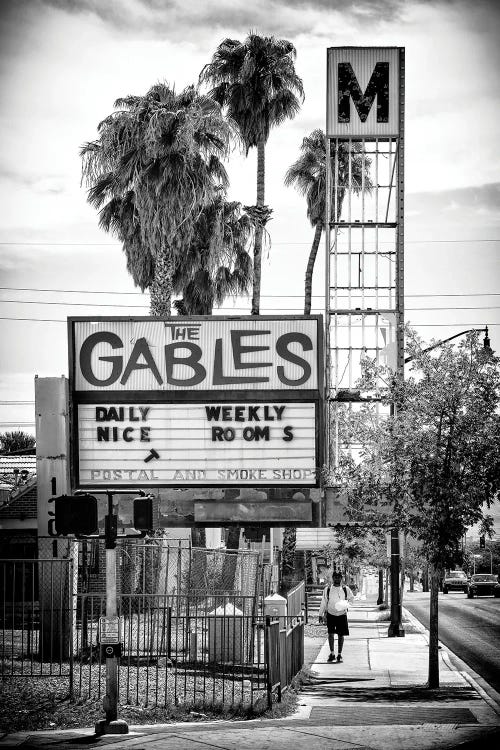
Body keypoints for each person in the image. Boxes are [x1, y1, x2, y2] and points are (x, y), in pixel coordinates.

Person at [318, 570, 354, 663]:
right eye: (335, 577)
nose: (337, 578)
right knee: (331, 634)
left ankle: (339, 654)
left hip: (342, 614)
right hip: (331, 614)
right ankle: (332, 653)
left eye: (338, 577)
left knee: (341, 635)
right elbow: (324, 602)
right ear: (332, 578)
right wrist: (320, 614)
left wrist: (346, 604)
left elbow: (351, 599)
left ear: (341, 578)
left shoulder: (346, 589)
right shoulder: (328, 589)